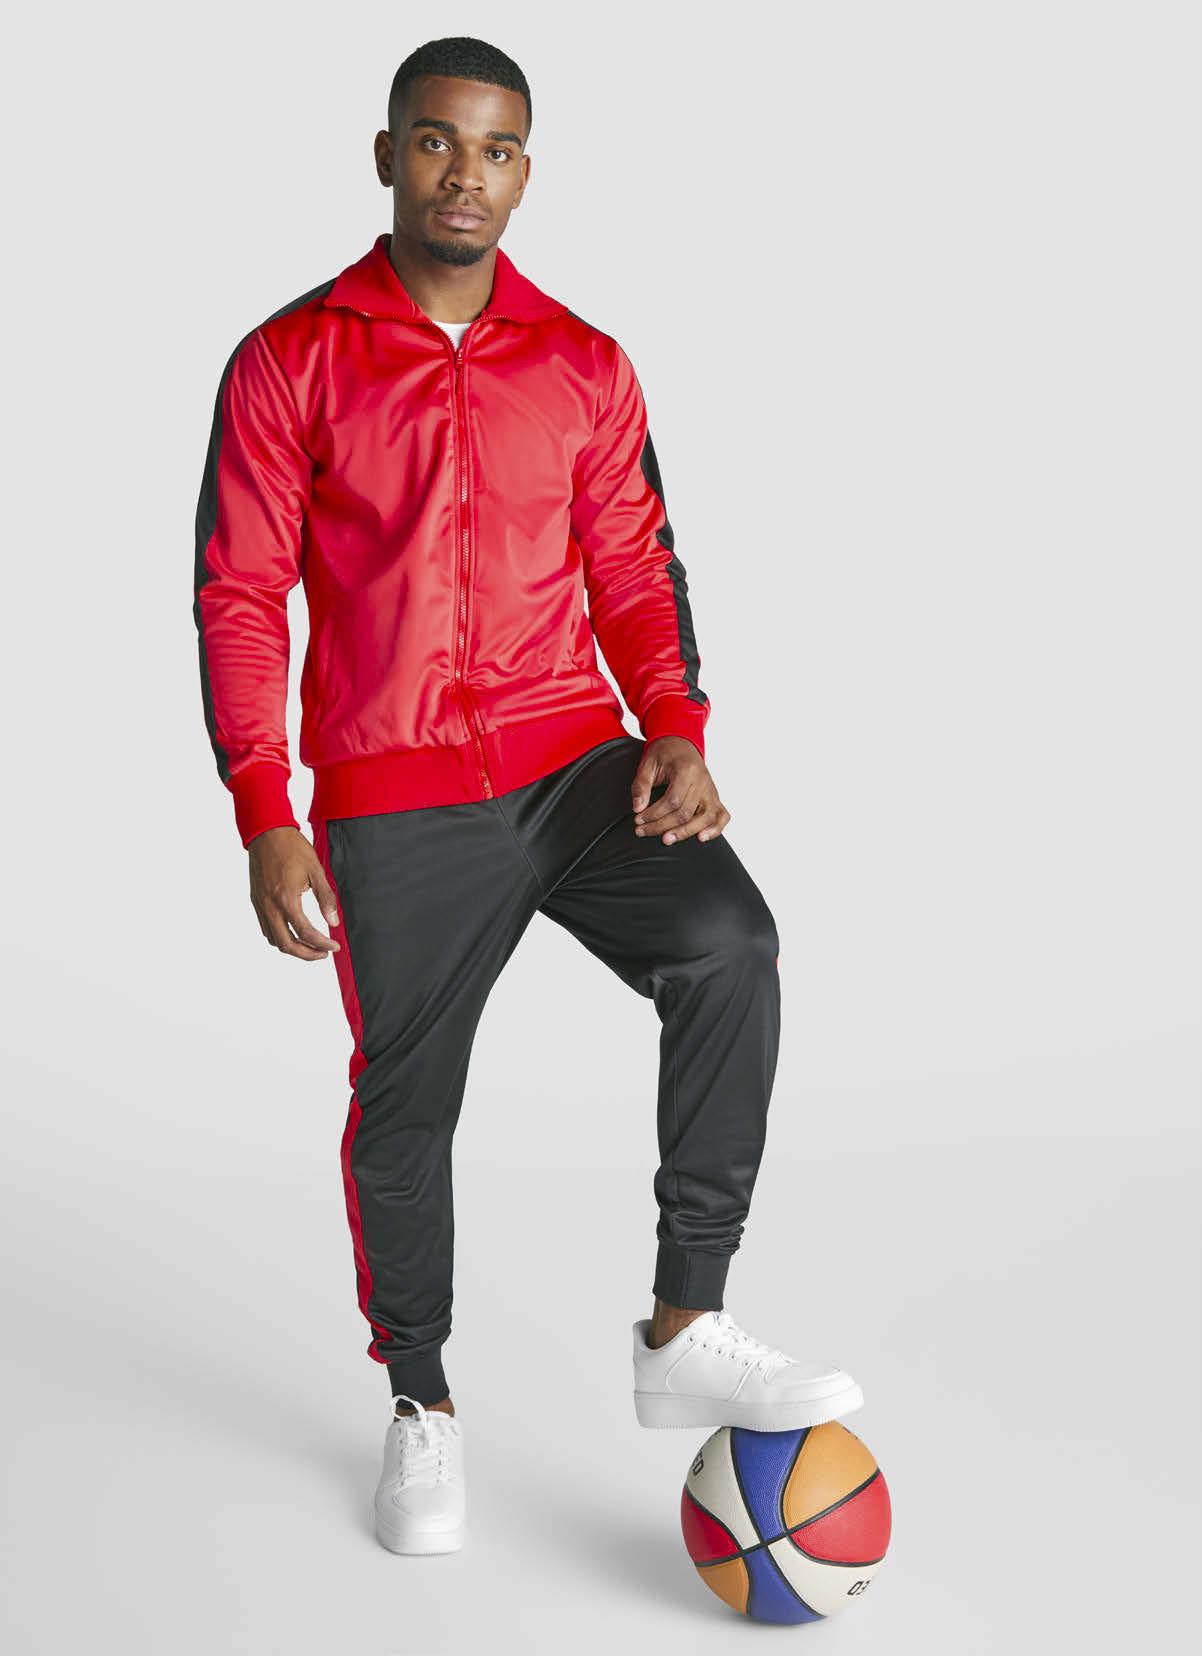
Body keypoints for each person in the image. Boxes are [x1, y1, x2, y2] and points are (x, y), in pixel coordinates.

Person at [193, 34, 863, 1556]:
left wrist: (674, 726)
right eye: (437, 142)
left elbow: (633, 561)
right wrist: (266, 810)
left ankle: (684, 1323)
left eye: (495, 150)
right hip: (394, 792)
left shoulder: (583, 363)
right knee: (404, 1107)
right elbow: (239, 593)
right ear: (386, 158)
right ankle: (420, 1402)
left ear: (525, 173)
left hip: (573, 761)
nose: (465, 175)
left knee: (731, 947)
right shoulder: (290, 359)